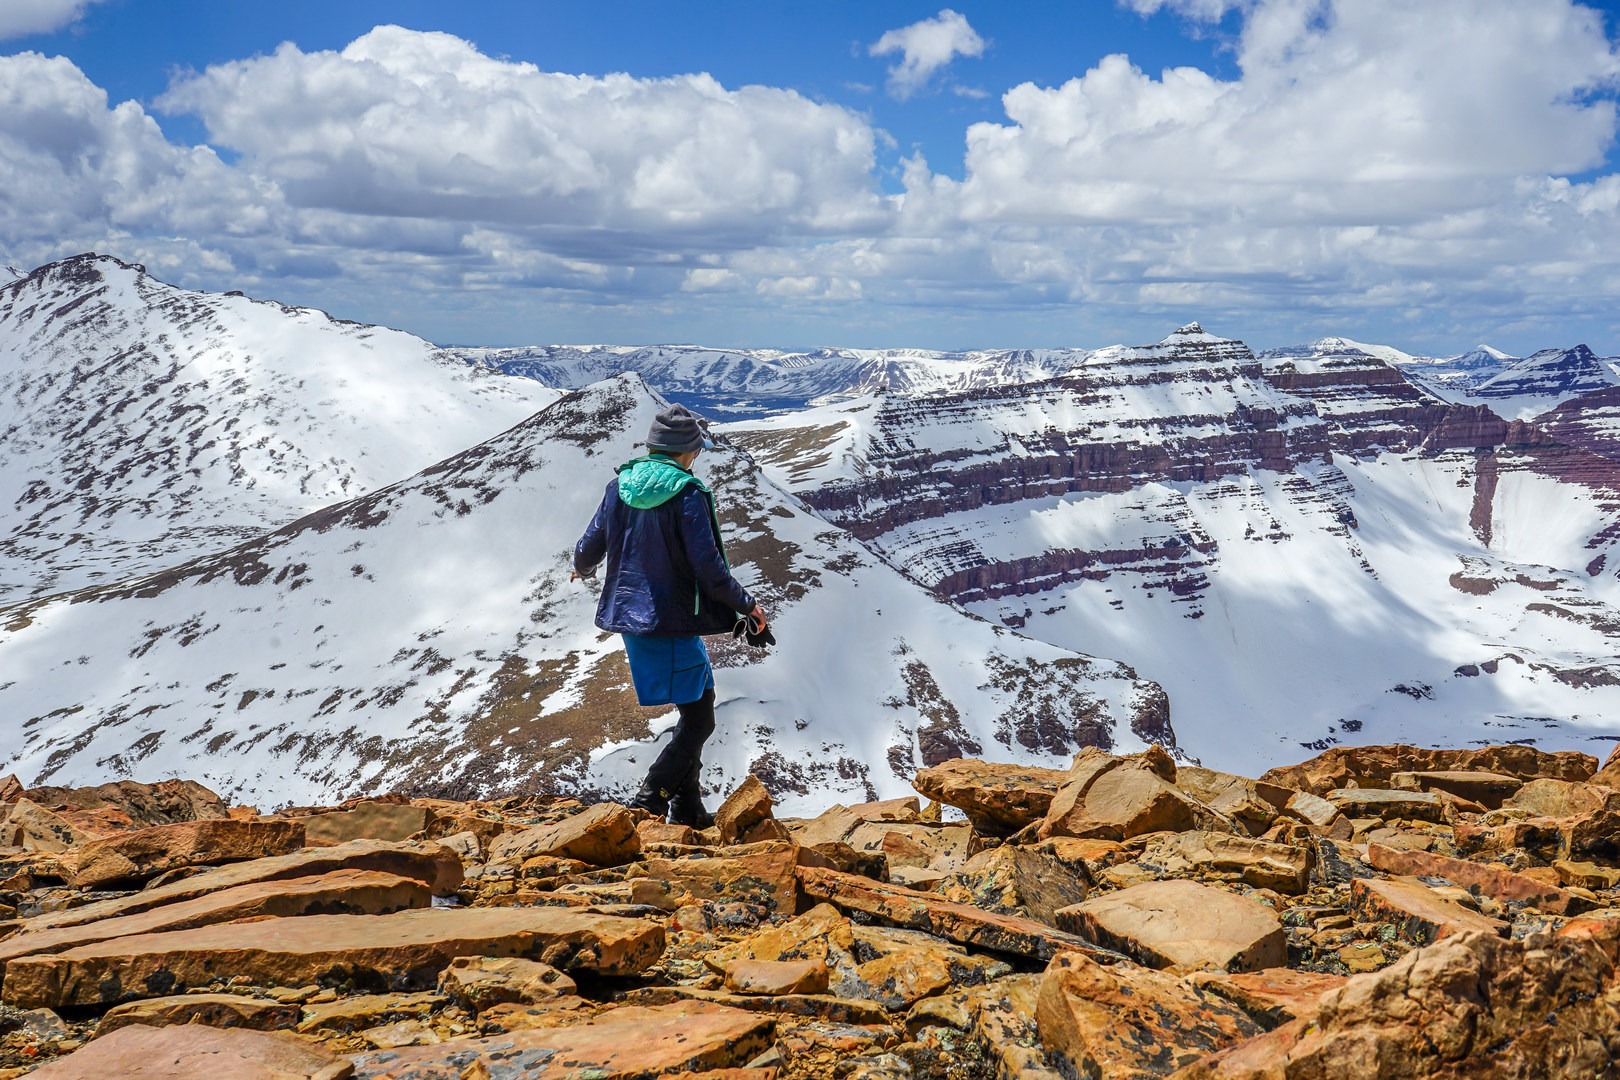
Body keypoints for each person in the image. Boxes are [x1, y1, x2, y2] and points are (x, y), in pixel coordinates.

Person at [572, 403, 767, 827]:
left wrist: (582, 569)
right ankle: (652, 800)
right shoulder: (688, 493)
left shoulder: (619, 484)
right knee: (700, 717)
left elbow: (589, 544)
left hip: (630, 616)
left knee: (696, 703)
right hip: (671, 619)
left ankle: (688, 808)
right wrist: (747, 605)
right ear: (690, 452)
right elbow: (709, 568)